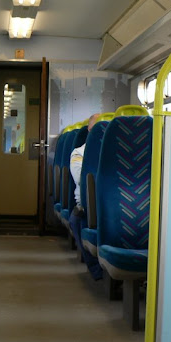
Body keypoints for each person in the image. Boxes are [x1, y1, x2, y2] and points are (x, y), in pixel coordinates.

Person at [68, 113, 103, 280]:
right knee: (76, 219)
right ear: (90, 130)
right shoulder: (79, 153)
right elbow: (80, 179)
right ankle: (97, 272)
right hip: (88, 206)